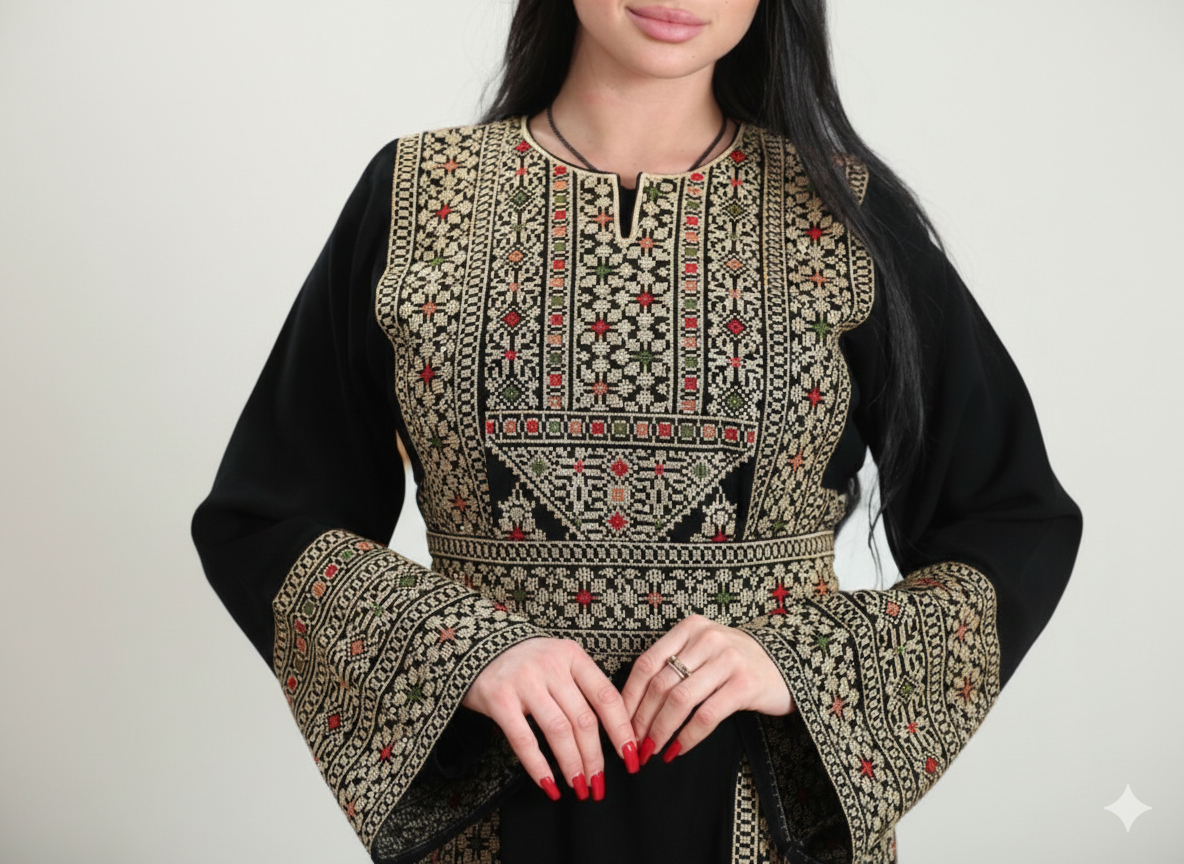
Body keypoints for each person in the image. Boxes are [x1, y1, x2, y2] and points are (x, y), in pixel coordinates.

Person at [192, 1, 1082, 862]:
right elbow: (266, 519)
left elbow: (1013, 520)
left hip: (759, 813)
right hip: (496, 815)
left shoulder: (844, 217)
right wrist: (463, 648)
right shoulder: (419, 198)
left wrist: (802, 663)